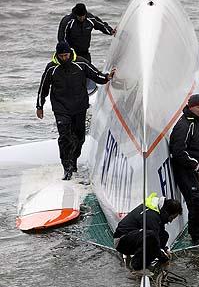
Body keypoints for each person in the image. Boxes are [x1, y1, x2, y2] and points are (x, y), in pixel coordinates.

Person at [36, 41, 115, 180]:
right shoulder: (51, 68)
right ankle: (67, 167)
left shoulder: (81, 63)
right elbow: (43, 88)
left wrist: (107, 77)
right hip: (61, 108)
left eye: (66, 55)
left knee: (79, 138)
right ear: (57, 55)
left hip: (79, 107)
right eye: (61, 56)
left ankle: (73, 161)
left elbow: (96, 75)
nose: (64, 58)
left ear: (69, 53)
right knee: (65, 137)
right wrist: (39, 106)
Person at [169, 94, 199, 245]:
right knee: (196, 202)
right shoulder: (185, 124)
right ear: (191, 106)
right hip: (185, 169)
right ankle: (196, 236)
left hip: (192, 169)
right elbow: (178, 151)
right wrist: (196, 166)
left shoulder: (194, 121)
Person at [113, 193, 182, 273]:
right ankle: (137, 267)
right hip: (122, 242)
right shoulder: (151, 216)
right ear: (167, 213)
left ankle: (148, 261)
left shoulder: (157, 211)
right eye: (172, 218)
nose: (170, 221)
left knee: (164, 235)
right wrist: (164, 259)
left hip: (133, 237)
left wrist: (164, 250)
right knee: (151, 236)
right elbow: (154, 242)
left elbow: (160, 236)